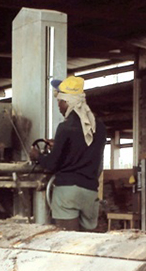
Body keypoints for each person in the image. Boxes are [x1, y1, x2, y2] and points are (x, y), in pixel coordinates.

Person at [29, 76, 106, 231]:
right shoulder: (99, 127)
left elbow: (52, 164)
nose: (58, 105)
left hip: (67, 192)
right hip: (90, 192)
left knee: (68, 240)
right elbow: (87, 151)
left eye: (60, 101)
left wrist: (37, 156)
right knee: (88, 240)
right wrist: (59, 145)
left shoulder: (65, 127)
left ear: (68, 102)